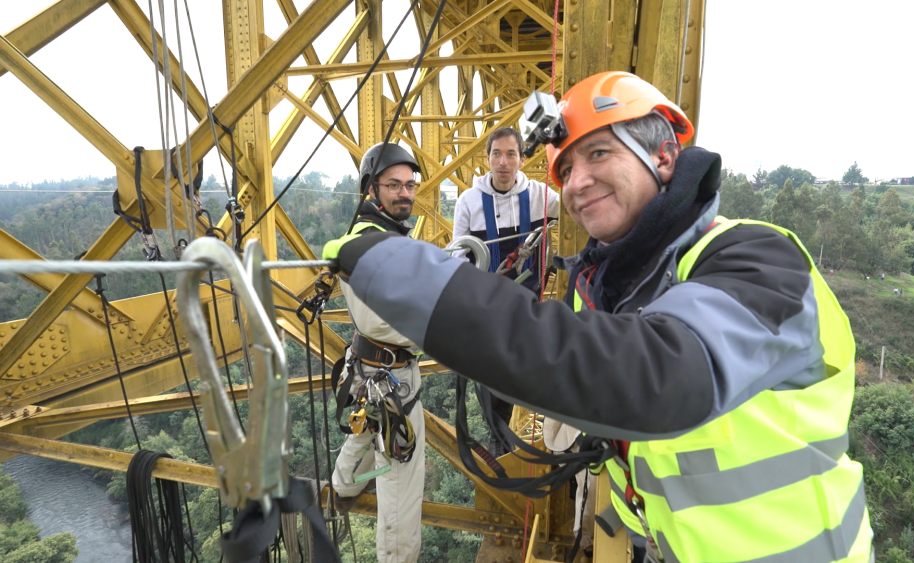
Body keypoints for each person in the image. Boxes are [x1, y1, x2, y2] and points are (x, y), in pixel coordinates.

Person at [324, 71, 872, 562]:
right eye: (566, 168)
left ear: (663, 157)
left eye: (599, 154)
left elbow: (650, 376)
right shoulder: (608, 290)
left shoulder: (760, 261)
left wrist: (403, 273)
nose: (577, 182)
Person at [329, 142, 425, 563]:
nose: (405, 193)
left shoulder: (378, 235)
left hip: (370, 372)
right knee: (402, 487)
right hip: (394, 380)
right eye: (394, 185)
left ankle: (345, 485)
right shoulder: (370, 242)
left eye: (410, 185)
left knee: (365, 426)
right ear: (372, 189)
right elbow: (385, 323)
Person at [450, 126, 560, 456]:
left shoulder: (541, 196)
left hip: (527, 302)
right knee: (492, 377)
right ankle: (499, 439)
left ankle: (529, 438)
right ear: (487, 159)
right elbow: (458, 254)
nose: (503, 162)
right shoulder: (469, 202)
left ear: (523, 160)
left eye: (511, 154)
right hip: (489, 306)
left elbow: (571, 216)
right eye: (496, 154)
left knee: (522, 372)